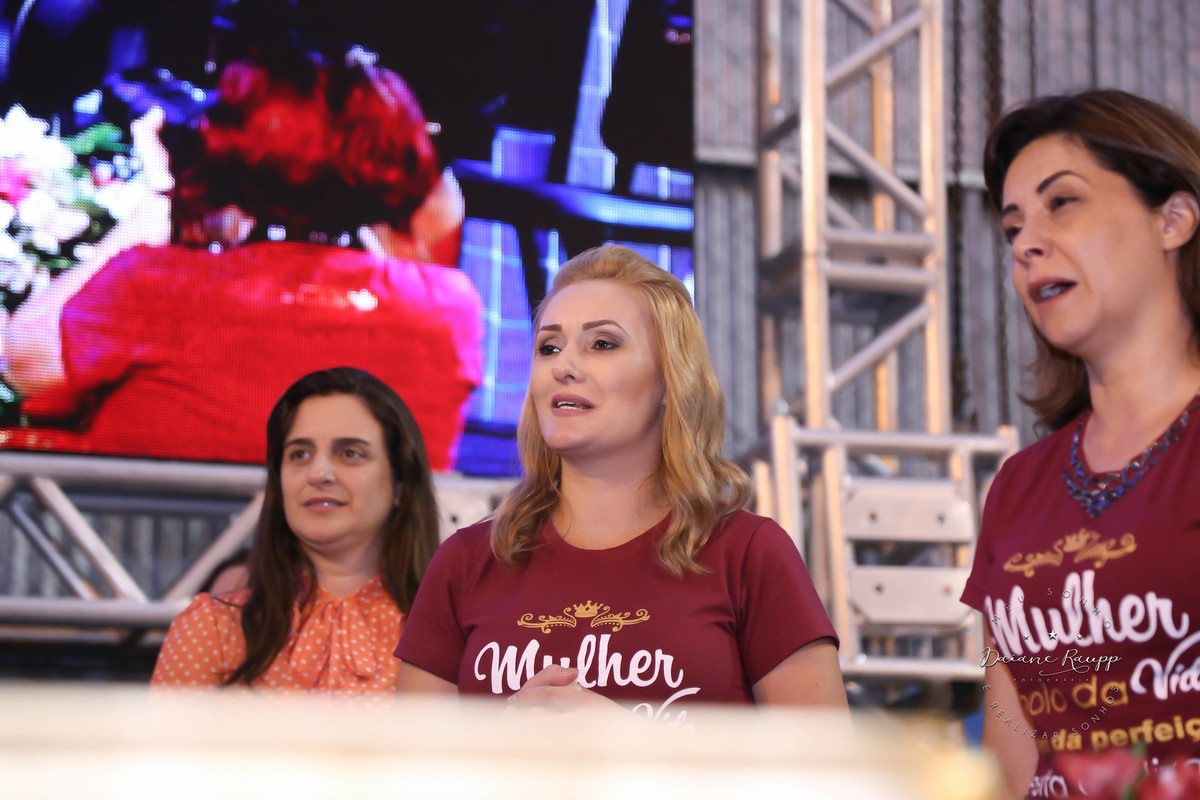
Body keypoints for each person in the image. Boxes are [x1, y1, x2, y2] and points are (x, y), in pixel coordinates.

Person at [394, 245, 846, 721]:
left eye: (603, 344)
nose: (563, 366)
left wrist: (629, 744)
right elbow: (408, 763)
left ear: (670, 380)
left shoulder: (748, 554)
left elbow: (829, 763)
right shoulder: (466, 562)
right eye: (549, 347)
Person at [2, 50, 482, 470]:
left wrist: (159, 203)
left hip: (142, 544)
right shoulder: (446, 308)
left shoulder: (159, 287)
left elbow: (23, 365)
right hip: (351, 549)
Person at [962, 89, 1200, 798]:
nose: (1026, 243)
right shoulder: (1018, 486)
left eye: (1062, 203)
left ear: (1173, 219)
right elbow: (1011, 732)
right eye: (1013, 228)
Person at [151, 367, 440, 694]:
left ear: (401, 483)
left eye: (350, 453)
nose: (319, 473)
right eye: (299, 454)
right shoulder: (212, 629)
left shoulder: (449, 637)